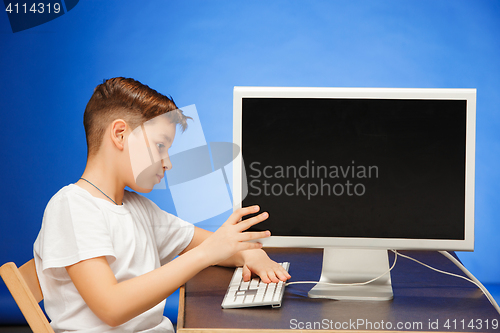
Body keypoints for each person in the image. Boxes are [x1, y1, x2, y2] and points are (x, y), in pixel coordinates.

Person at [33, 77, 290, 332]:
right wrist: (207, 253)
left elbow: (210, 245)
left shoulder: (137, 208)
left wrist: (251, 253)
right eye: (159, 146)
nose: (167, 163)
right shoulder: (72, 206)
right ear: (120, 134)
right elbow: (111, 307)